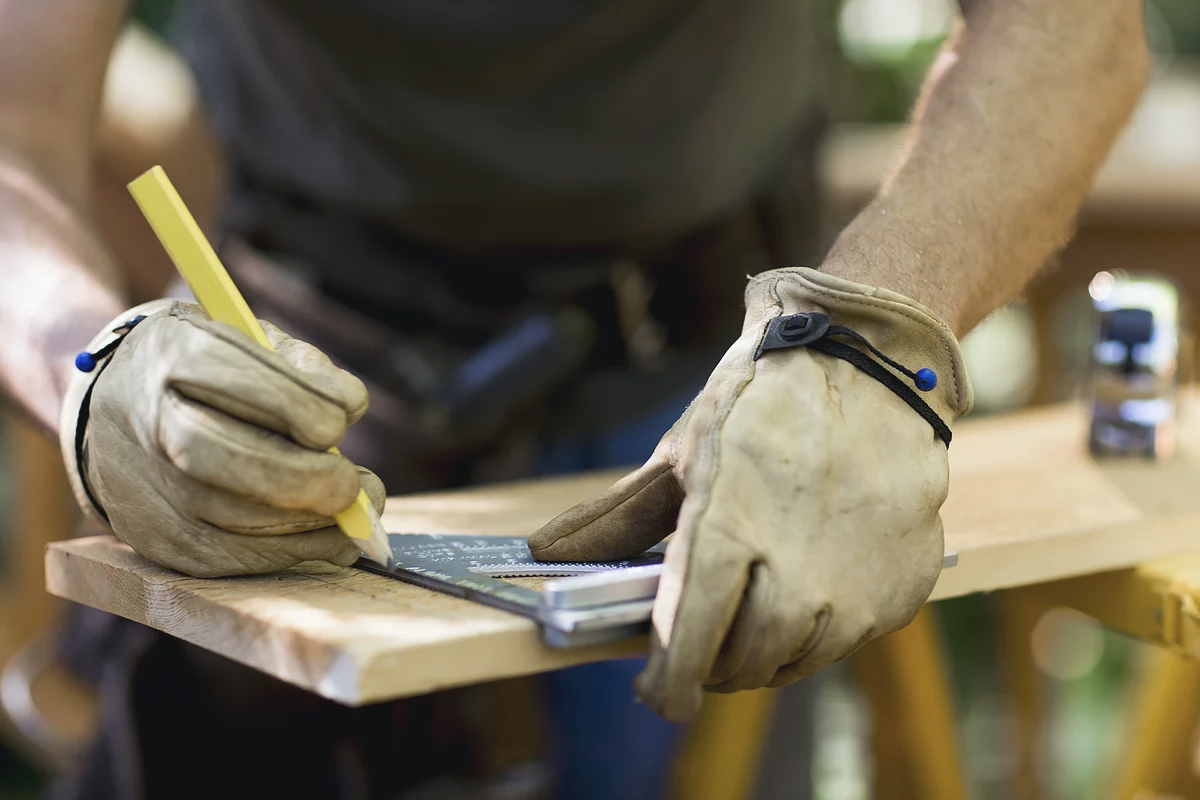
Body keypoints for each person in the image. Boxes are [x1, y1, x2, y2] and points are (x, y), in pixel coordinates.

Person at [0, 0, 1148, 797]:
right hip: (298, 391)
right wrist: (87, 369)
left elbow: (1075, 31)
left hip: (729, 399)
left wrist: (874, 332)